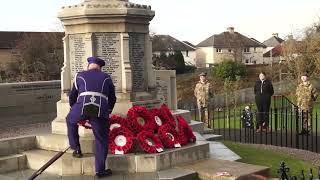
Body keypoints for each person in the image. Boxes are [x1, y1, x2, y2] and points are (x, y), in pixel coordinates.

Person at [66, 56, 117, 178]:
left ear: (89, 66)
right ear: (100, 67)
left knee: (70, 120)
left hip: (83, 106)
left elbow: (73, 95)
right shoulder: (107, 77)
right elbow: (112, 98)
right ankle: (100, 170)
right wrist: (108, 111)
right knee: (101, 139)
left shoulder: (79, 75)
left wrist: (73, 108)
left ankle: (76, 148)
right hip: (100, 108)